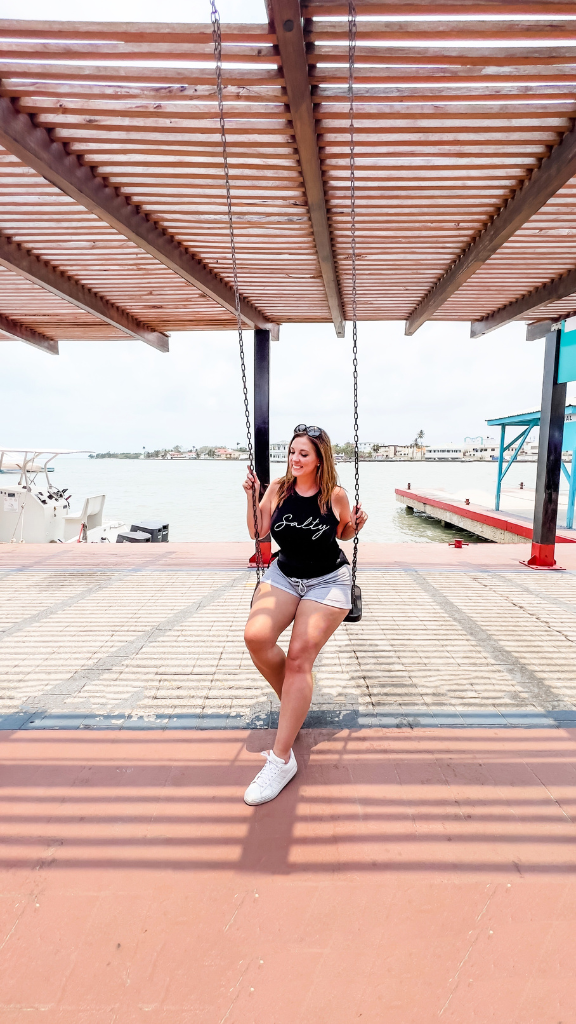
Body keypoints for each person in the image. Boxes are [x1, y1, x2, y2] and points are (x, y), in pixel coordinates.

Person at [242, 424, 368, 806]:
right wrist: (250, 497)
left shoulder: (335, 494)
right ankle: (293, 705)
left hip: (327, 581)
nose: (295, 459)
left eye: (304, 454)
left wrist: (356, 526)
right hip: (284, 573)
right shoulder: (278, 489)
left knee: (299, 659)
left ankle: (281, 761)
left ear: (320, 460)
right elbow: (259, 533)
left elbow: (344, 533)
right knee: (257, 637)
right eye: (293, 452)